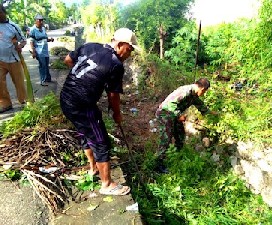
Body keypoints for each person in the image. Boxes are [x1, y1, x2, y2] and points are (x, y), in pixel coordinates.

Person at [60, 28, 138, 196]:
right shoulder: (115, 64)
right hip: (82, 105)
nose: (129, 54)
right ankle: (107, 184)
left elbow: (67, 60)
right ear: (120, 44)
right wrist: (117, 114)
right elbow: (113, 95)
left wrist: (80, 79)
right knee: (101, 141)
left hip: (66, 98)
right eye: (129, 49)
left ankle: (93, 168)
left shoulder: (90, 46)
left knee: (85, 134)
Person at [155, 78, 216, 173]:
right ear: (202, 89)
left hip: (174, 115)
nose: (204, 94)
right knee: (166, 138)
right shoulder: (185, 91)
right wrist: (179, 115)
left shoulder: (194, 95)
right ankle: (158, 164)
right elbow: (170, 104)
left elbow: (200, 105)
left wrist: (211, 113)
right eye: (204, 92)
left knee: (180, 136)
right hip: (165, 114)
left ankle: (175, 156)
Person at [0, 4, 27, 113]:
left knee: (19, 83)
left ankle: (24, 102)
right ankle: (5, 103)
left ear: (4, 13)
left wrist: (20, 46)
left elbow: (23, 40)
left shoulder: (13, 26)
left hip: (13, 60)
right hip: (0, 61)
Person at [29, 14, 54, 86]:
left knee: (46, 65)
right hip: (39, 51)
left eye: (42, 20)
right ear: (35, 21)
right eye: (39, 20)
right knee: (42, 65)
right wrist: (33, 51)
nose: (41, 22)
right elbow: (31, 41)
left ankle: (48, 78)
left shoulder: (43, 28)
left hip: (45, 50)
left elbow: (45, 38)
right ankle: (43, 80)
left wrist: (50, 39)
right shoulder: (33, 30)